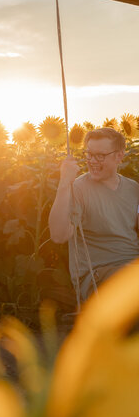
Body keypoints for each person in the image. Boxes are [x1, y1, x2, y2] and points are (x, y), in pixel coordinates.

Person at [48, 127, 139, 302]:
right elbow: (58, 235)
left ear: (119, 156)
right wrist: (64, 183)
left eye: (100, 156)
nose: (92, 161)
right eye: (89, 154)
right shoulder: (78, 189)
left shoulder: (133, 188)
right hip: (98, 276)